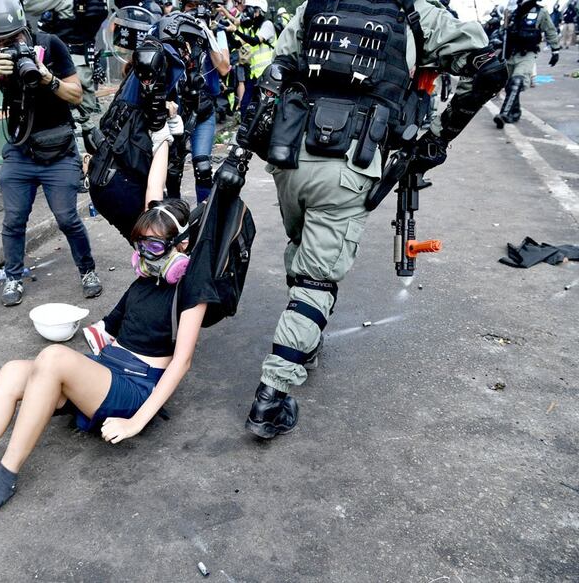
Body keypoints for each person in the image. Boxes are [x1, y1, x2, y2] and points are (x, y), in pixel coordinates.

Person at [237, 0, 507, 438]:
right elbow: (490, 68)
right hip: (351, 162)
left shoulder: (314, 6)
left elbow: (276, 70)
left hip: (290, 157)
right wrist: (438, 137)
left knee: (304, 252)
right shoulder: (416, 13)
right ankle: (272, 396)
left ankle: (303, 338)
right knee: (316, 278)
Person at [0, 199, 208, 532]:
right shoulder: (141, 283)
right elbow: (106, 329)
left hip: (135, 390)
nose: (145, 254)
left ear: (181, 245)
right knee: (13, 371)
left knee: (53, 357)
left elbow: (181, 363)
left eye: (154, 245)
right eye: (140, 244)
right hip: (105, 376)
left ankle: (5, 476)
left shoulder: (191, 289)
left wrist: (135, 423)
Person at [0, 0, 103, 306]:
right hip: (20, 152)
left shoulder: (51, 44)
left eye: (16, 38)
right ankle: (13, 277)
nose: (10, 46)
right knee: (14, 220)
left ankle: (87, 271)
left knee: (67, 218)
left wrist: (47, 77)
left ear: (27, 30)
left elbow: (76, 95)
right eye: (1, 42)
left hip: (58, 151)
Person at [88, 36, 186, 241]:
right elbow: (156, 188)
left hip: (104, 182)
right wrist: (166, 129)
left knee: (147, 245)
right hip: (121, 185)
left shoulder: (129, 93)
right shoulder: (143, 109)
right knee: (157, 244)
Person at [170, 4, 231, 203]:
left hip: (203, 107)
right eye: (191, 6)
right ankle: (171, 216)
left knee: (203, 167)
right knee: (172, 170)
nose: (194, 11)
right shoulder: (171, 26)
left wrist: (206, 33)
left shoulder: (216, 31)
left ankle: (203, 219)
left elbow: (224, 68)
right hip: (175, 107)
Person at [31, 0, 109, 154]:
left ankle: (80, 165)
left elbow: (28, 6)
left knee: (74, 117)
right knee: (85, 118)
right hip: (86, 60)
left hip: (67, 64)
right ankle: (99, 162)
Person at [493, 0, 560, 128]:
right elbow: (503, 31)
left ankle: (503, 114)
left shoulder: (541, 12)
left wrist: (555, 50)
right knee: (509, 86)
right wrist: (497, 39)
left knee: (517, 81)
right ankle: (516, 112)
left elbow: (550, 30)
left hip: (527, 54)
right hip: (510, 53)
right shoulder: (512, 10)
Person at [225, 0, 274, 118]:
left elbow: (254, 41)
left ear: (258, 11)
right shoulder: (253, 29)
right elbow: (237, 44)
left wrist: (236, 30)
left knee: (264, 108)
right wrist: (226, 31)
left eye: (250, 9)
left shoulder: (267, 25)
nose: (247, 13)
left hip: (267, 75)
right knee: (245, 105)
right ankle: (245, 132)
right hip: (254, 76)